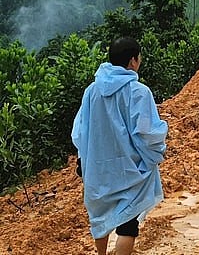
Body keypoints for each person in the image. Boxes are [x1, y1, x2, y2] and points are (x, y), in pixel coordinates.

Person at [71, 37, 168, 255]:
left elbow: (80, 129)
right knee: (128, 223)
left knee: (100, 216)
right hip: (129, 167)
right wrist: (155, 154)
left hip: (98, 166)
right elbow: (147, 132)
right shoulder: (139, 92)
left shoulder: (91, 91)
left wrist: (82, 158)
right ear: (133, 61)